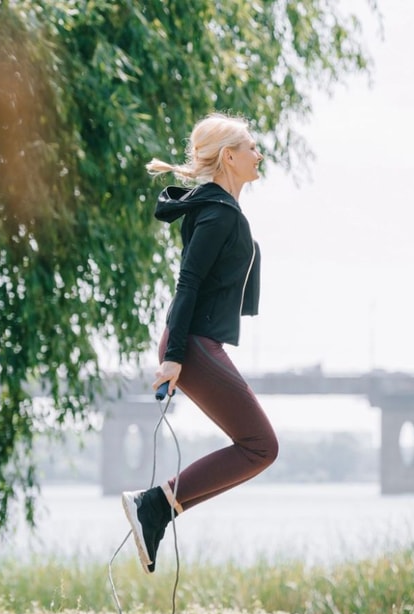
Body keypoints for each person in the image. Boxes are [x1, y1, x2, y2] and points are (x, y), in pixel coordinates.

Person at [121, 113, 279, 574]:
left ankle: (158, 509)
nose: (259, 154)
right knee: (260, 445)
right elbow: (187, 283)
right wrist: (173, 359)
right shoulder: (216, 214)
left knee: (256, 447)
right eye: (251, 147)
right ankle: (153, 505)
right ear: (229, 156)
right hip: (192, 345)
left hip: (200, 344)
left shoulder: (222, 211)